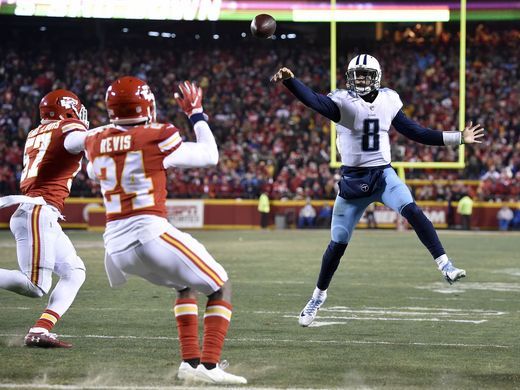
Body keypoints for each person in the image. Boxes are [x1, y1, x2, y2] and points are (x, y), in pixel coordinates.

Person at [271, 54, 484, 327]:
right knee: (337, 245)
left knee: (413, 211)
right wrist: (292, 82)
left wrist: (458, 138)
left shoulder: (388, 100)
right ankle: (317, 297)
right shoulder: (342, 102)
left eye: (366, 75)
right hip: (353, 180)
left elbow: (415, 131)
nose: (361, 80)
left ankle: (445, 264)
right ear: (349, 78)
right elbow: (314, 100)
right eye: (356, 75)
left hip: (383, 174)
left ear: (377, 77)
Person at [83, 77, 246, 385]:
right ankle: (209, 368)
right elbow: (210, 155)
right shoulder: (159, 134)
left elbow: (93, 168)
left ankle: (189, 363)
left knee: (185, 285)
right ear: (147, 105)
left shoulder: (94, 141)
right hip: (148, 232)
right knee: (220, 286)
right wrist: (196, 113)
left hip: (115, 248)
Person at [0, 90, 88, 347]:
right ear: (69, 110)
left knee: (75, 271)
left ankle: (40, 329)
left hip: (39, 212)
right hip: (38, 212)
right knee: (36, 286)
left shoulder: (37, 132)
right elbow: (74, 141)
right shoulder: (68, 128)